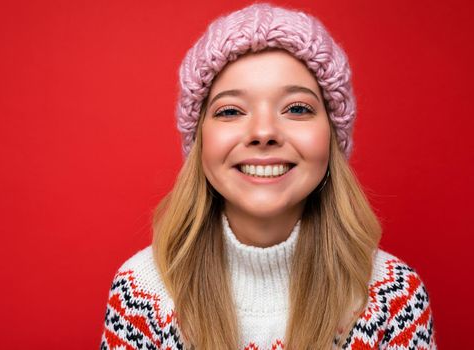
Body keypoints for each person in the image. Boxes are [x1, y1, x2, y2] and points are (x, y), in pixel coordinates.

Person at [100, 3, 436, 349]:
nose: (263, 132)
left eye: (297, 108)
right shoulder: (142, 293)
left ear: (332, 136)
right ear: (200, 141)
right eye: (230, 111)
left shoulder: (392, 297)